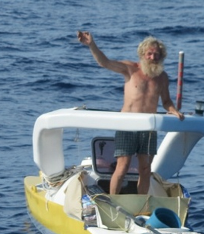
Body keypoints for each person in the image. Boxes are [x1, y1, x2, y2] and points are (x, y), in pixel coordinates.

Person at [77, 31, 184, 195]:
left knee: (145, 168)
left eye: (156, 54)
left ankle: (141, 202)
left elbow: (167, 102)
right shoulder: (130, 69)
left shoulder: (162, 77)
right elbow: (104, 62)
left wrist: (174, 111)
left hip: (148, 129)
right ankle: (112, 201)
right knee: (123, 166)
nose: (153, 57)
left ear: (161, 56)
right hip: (127, 126)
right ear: (142, 54)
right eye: (149, 54)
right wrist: (92, 44)